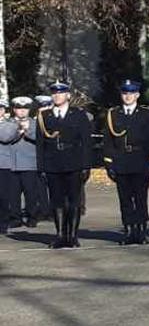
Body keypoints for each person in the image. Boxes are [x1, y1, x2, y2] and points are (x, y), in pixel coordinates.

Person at [102, 80, 149, 245]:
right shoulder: (113, 114)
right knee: (125, 199)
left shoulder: (146, 113)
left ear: (137, 95)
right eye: (125, 93)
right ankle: (128, 231)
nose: (128, 96)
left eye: (131, 93)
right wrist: (109, 163)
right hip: (121, 161)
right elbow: (108, 141)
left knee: (141, 198)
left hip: (140, 160)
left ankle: (141, 231)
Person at [37, 82, 92, 249]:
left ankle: (73, 236)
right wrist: (41, 167)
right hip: (53, 163)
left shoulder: (78, 115)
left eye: (60, 93)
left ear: (68, 95)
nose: (56, 96)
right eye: (54, 93)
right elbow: (40, 144)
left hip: (74, 161)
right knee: (57, 200)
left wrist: (86, 165)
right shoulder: (44, 116)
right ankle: (60, 235)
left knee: (74, 200)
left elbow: (86, 142)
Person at [0, 98, 39, 234]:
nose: (22, 111)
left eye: (25, 108)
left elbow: (38, 137)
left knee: (31, 193)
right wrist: (18, 130)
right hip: (12, 163)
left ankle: (32, 217)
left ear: (29, 110)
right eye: (19, 108)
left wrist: (27, 130)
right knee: (13, 194)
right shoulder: (8, 123)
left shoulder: (35, 123)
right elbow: (5, 138)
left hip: (29, 163)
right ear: (14, 109)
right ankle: (15, 217)